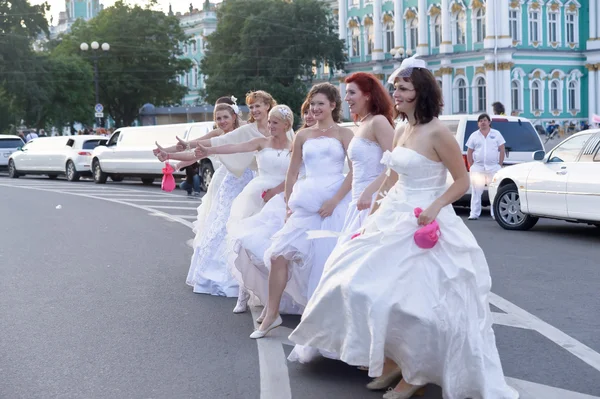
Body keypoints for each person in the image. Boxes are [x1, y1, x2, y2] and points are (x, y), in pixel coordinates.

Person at [288, 55, 518, 399]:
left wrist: (436, 205)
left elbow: (461, 181)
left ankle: (415, 374)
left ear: (420, 93)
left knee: (416, 302)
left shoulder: (438, 132)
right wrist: (372, 216)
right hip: (395, 213)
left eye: (403, 88)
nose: (395, 92)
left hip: (428, 219)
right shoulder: (400, 128)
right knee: (355, 282)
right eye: (395, 87)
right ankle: (395, 358)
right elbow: (393, 177)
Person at [250, 83, 353, 339]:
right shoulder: (303, 135)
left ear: (333, 105)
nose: (315, 108)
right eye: (312, 104)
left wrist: (335, 199)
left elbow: (355, 170)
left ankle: (328, 322)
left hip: (335, 202)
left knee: (327, 262)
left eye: (320, 103)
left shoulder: (344, 133)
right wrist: (288, 206)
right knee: (278, 255)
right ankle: (272, 315)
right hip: (306, 202)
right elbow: (292, 172)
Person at [155, 98, 254, 297]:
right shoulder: (217, 133)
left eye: (226, 117)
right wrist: (169, 155)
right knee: (221, 222)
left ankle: (247, 274)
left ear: (235, 116)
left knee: (245, 222)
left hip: (246, 180)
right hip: (225, 181)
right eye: (218, 118)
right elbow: (193, 149)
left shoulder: (246, 130)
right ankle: (218, 272)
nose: (222, 121)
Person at [466, 113, 505, 220]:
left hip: (493, 167)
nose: (483, 122)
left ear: (489, 122)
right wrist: (471, 165)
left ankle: (495, 214)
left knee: (494, 191)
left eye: (485, 120)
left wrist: (500, 164)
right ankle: (474, 213)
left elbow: (502, 149)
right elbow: (470, 151)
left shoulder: (496, 134)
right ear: (478, 123)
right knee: (476, 191)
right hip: (478, 168)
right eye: (480, 121)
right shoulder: (474, 135)